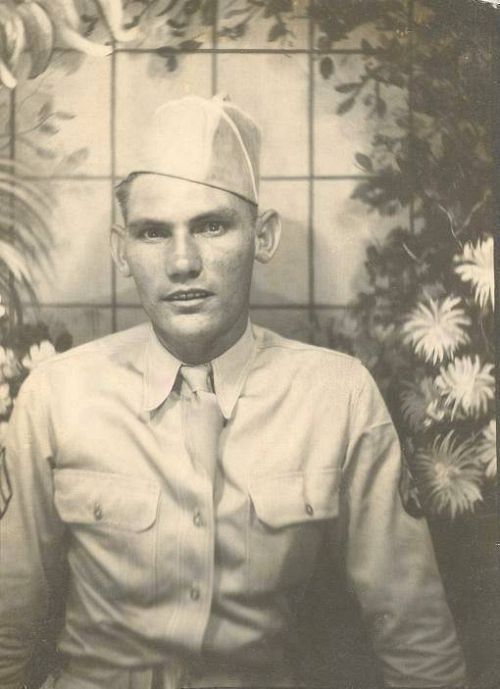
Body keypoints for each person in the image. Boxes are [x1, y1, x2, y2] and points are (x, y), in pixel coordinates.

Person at [0, 94, 467, 689]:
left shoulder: (338, 396)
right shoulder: (57, 396)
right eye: (152, 233)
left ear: (262, 236)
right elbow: (7, 627)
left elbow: (412, 632)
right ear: (122, 250)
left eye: (211, 226)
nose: (183, 262)